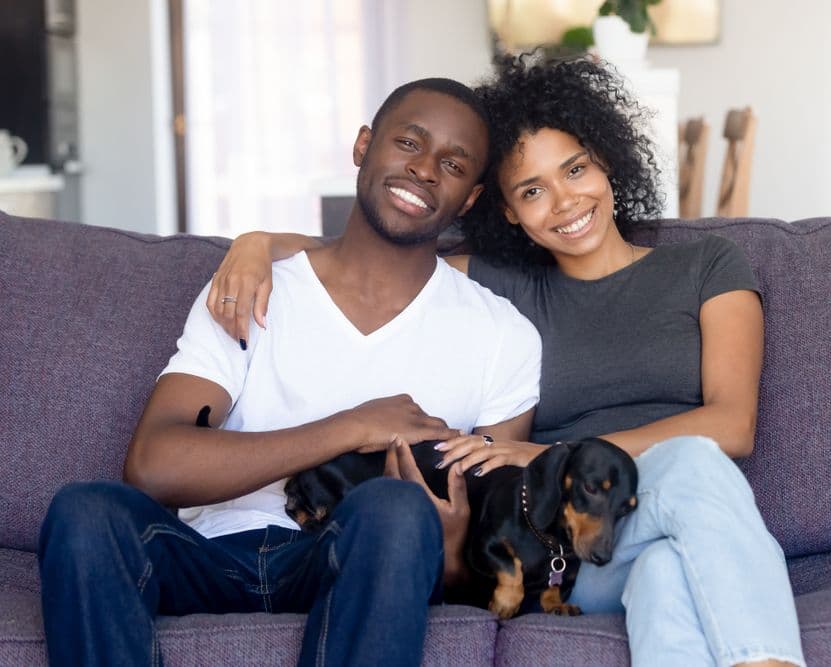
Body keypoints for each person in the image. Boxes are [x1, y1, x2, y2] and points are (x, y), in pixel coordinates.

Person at [207, 57, 805, 667]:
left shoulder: (706, 264)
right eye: (533, 191)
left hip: (694, 513)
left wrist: (552, 457)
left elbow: (732, 425)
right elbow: (372, 251)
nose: (565, 201)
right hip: (576, 547)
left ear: (606, 160)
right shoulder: (508, 288)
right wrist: (255, 243)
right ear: (508, 212)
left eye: (575, 169)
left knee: (670, 551)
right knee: (664, 545)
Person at [36, 77, 543, 667]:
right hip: (206, 552)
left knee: (396, 511)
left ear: (472, 197)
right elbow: (152, 465)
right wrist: (350, 428)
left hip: (354, 556)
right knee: (84, 511)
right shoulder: (254, 287)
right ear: (363, 146)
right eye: (409, 143)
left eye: (452, 164)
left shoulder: (503, 337)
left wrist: (452, 548)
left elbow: (488, 550)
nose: (426, 170)